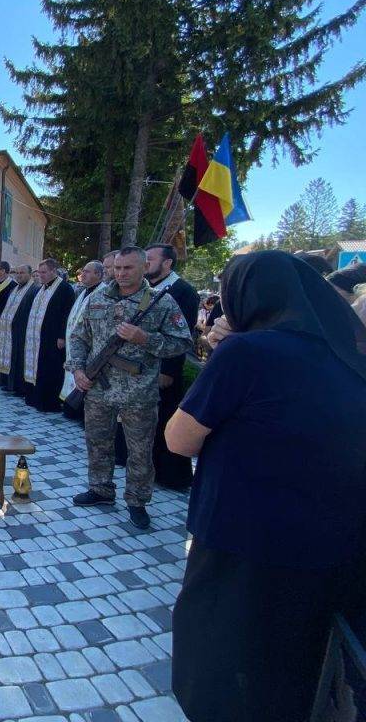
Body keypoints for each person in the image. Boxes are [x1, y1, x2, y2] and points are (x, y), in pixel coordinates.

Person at [165, 250, 366, 722]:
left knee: (227, 669)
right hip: (332, 546)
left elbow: (179, 439)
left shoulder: (246, 352)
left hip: (245, 543)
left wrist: (224, 353)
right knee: (295, 668)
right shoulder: (349, 352)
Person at [67, 247, 192, 530]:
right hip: (98, 387)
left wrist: (144, 338)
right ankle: (100, 489)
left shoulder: (161, 302)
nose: (121, 274)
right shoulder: (97, 297)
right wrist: (77, 370)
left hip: (139, 391)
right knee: (97, 441)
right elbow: (78, 337)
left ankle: (137, 501)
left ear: (144, 267)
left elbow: (182, 342)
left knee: (139, 449)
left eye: (128, 268)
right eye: (117, 268)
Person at [145, 243, 200, 490]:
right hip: (143, 368)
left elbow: (182, 336)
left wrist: (168, 370)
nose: (145, 264)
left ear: (167, 263)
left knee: (165, 418)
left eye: (150, 259)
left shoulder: (183, 291)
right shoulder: (148, 288)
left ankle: (171, 475)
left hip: (164, 368)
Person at [20, 258, 75, 412]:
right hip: (37, 337)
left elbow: (67, 314)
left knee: (51, 369)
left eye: (44, 272)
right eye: (39, 272)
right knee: (38, 367)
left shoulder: (65, 288)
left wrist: (62, 336)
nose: (41, 275)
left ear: (53, 271)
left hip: (53, 338)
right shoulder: (41, 288)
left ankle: (49, 403)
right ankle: (34, 398)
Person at [60, 260, 104, 419]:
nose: (82, 274)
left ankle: (80, 412)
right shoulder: (85, 291)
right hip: (76, 345)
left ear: (98, 274)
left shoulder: (102, 292)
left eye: (87, 271)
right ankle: (71, 406)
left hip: (89, 348)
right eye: (83, 271)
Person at [0, 265, 34, 389]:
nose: (19, 275)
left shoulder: (34, 290)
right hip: (9, 331)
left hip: (22, 332)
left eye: (22, 272)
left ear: (30, 274)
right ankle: (8, 383)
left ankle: (17, 386)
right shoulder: (14, 289)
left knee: (18, 359)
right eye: (17, 272)